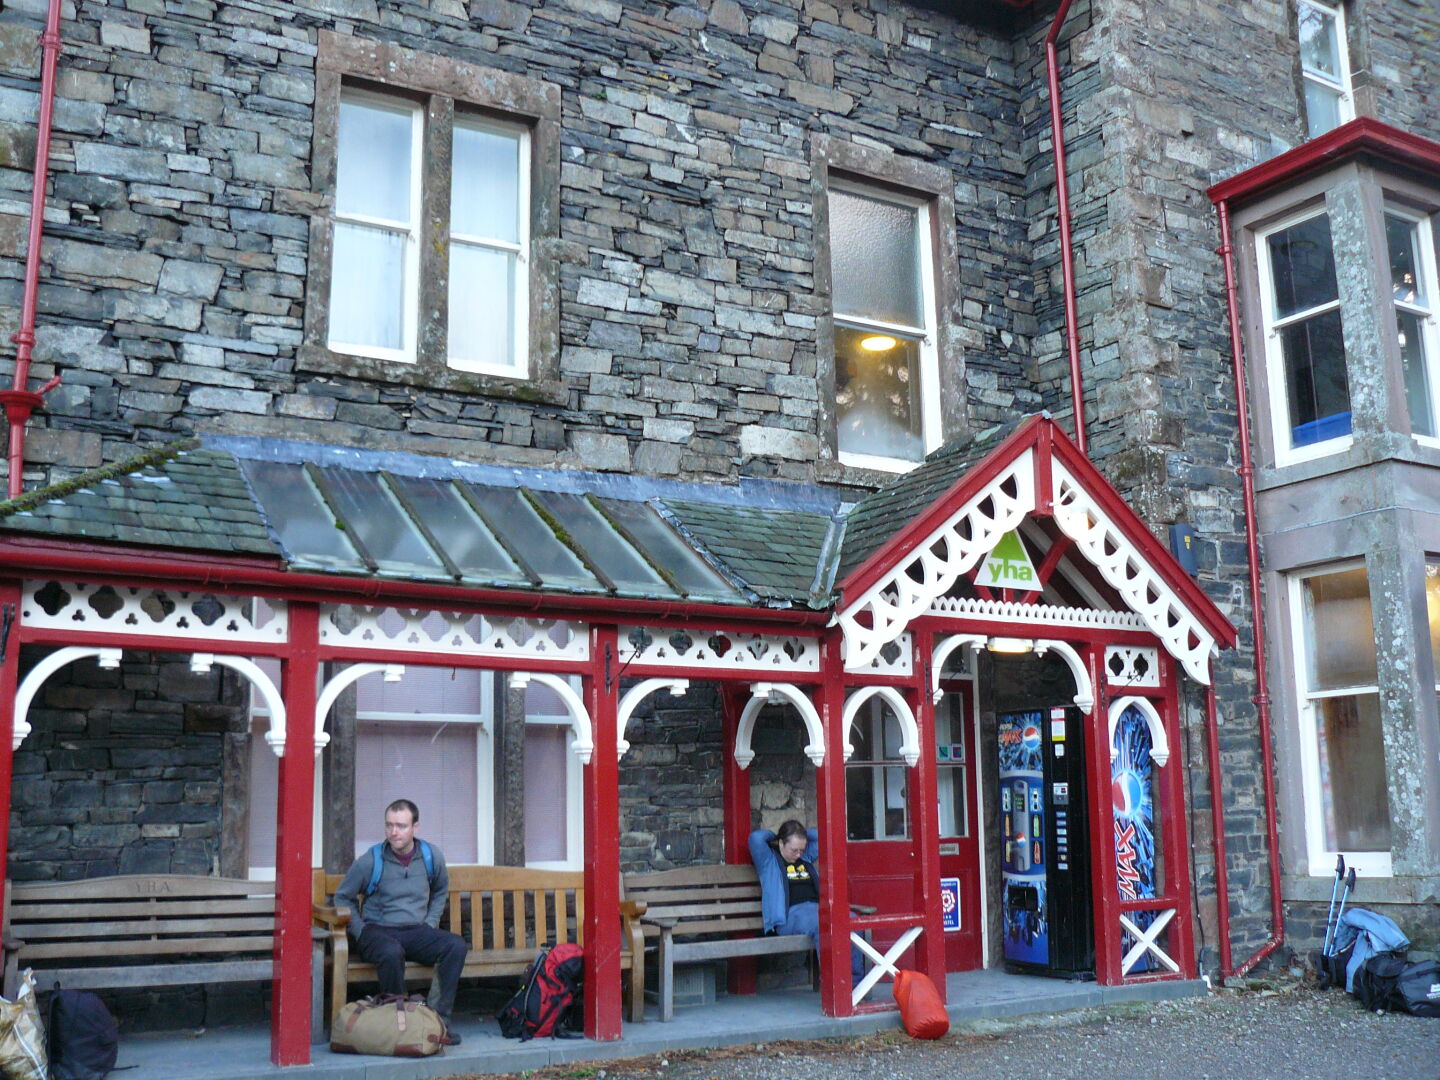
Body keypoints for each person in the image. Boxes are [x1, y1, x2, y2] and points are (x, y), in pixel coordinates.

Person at [333, 799, 467, 1044]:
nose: (394, 832)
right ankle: (399, 1027)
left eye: (401, 826)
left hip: (416, 930)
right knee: (391, 952)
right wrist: (360, 931)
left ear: (415, 828)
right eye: (389, 825)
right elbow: (343, 897)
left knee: (455, 946)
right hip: (378, 931)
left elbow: (440, 890)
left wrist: (431, 922)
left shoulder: (430, 856)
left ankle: (437, 1024)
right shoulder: (370, 860)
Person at [748, 819, 864, 985]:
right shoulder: (768, 861)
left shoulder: (806, 858)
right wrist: (776, 835)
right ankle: (834, 986)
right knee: (822, 924)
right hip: (790, 916)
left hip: (815, 909)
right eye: (794, 850)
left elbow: (821, 837)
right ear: (781, 843)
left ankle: (855, 984)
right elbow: (756, 838)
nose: (798, 855)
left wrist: (799, 832)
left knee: (852, 920)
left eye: (801, 850)